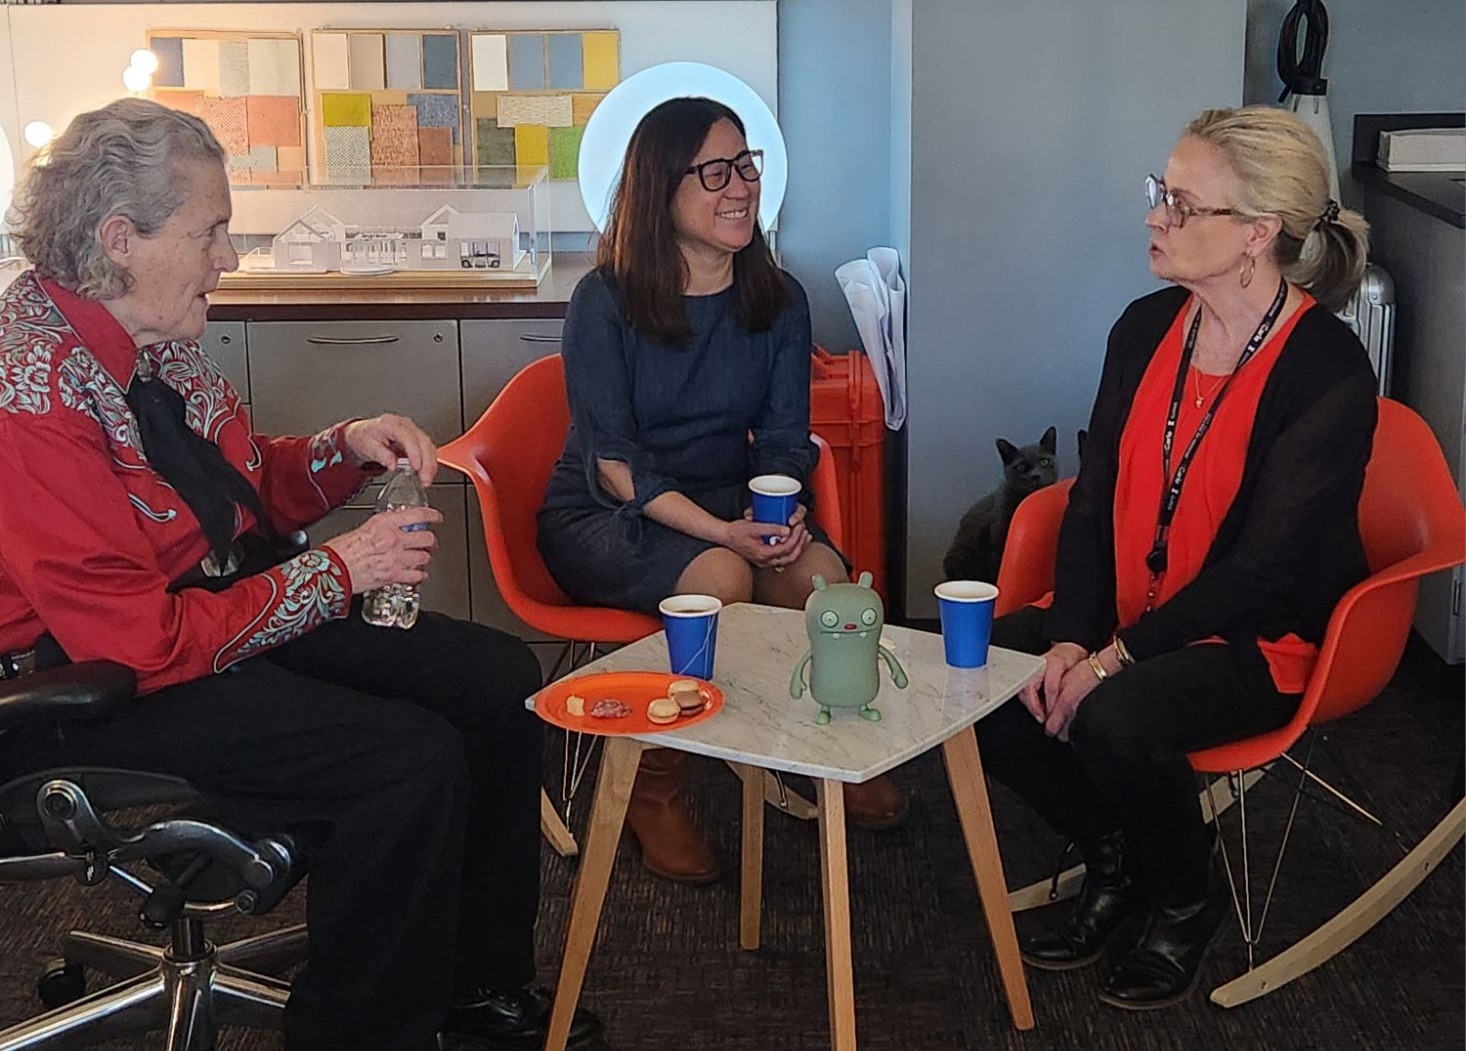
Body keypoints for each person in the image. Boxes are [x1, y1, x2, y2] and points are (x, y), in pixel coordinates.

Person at [0, 99, 599, 1051]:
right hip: (89, 678)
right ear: (122, 239)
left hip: (206, 613)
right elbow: (140, 640)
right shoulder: (28, 393)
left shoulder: (147, 339)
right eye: (212, 232)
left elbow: (233, 495)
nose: (229, 257)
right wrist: (339, 571)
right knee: (403, 760)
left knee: (494, 681)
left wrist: (345, 449)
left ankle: (475, 990)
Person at [973, 105, 1376, 1010]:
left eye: (1182, 203)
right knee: (982, 676)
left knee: (1116, 717)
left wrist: (1115, 658)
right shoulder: (1145, 326)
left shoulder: (1330, 370)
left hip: (1259, 639)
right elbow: (1091, 500)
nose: (1155, 216)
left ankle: (1187, 898)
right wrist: (1075, 636)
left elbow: (1265, 572)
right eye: (1160, 193)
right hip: (1130, 613)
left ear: (1257, 235)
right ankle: (1117, 853)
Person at [537, 97, 907, 885]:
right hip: (609, 514)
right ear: (660, 188)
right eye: (716, 171)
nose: (741, 185)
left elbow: (781, 438)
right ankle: (654, 787)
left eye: (747, 165)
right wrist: (723, 533)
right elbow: (614, 464)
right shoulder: (603, 302)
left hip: (724, 503)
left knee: (821, 583)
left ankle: (831, 751)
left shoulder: (777, 299)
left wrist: (782, 510)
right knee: (723, 581)